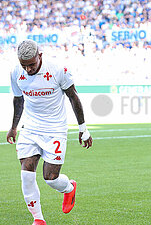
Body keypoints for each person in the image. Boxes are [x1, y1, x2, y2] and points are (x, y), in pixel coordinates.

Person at [6, 40, 93, 225]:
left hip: (55, 129)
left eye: (31, 65)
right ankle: (38, 219)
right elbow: (18, 99)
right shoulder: (15, 73)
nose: (28, 70)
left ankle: (69, 187)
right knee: (26, 173)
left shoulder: (57, 70)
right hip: (30, 128)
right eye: (24, 66)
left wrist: (82, 128)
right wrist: (13, 127)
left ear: (40, 56)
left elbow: (73, 97)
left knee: (50, 179)